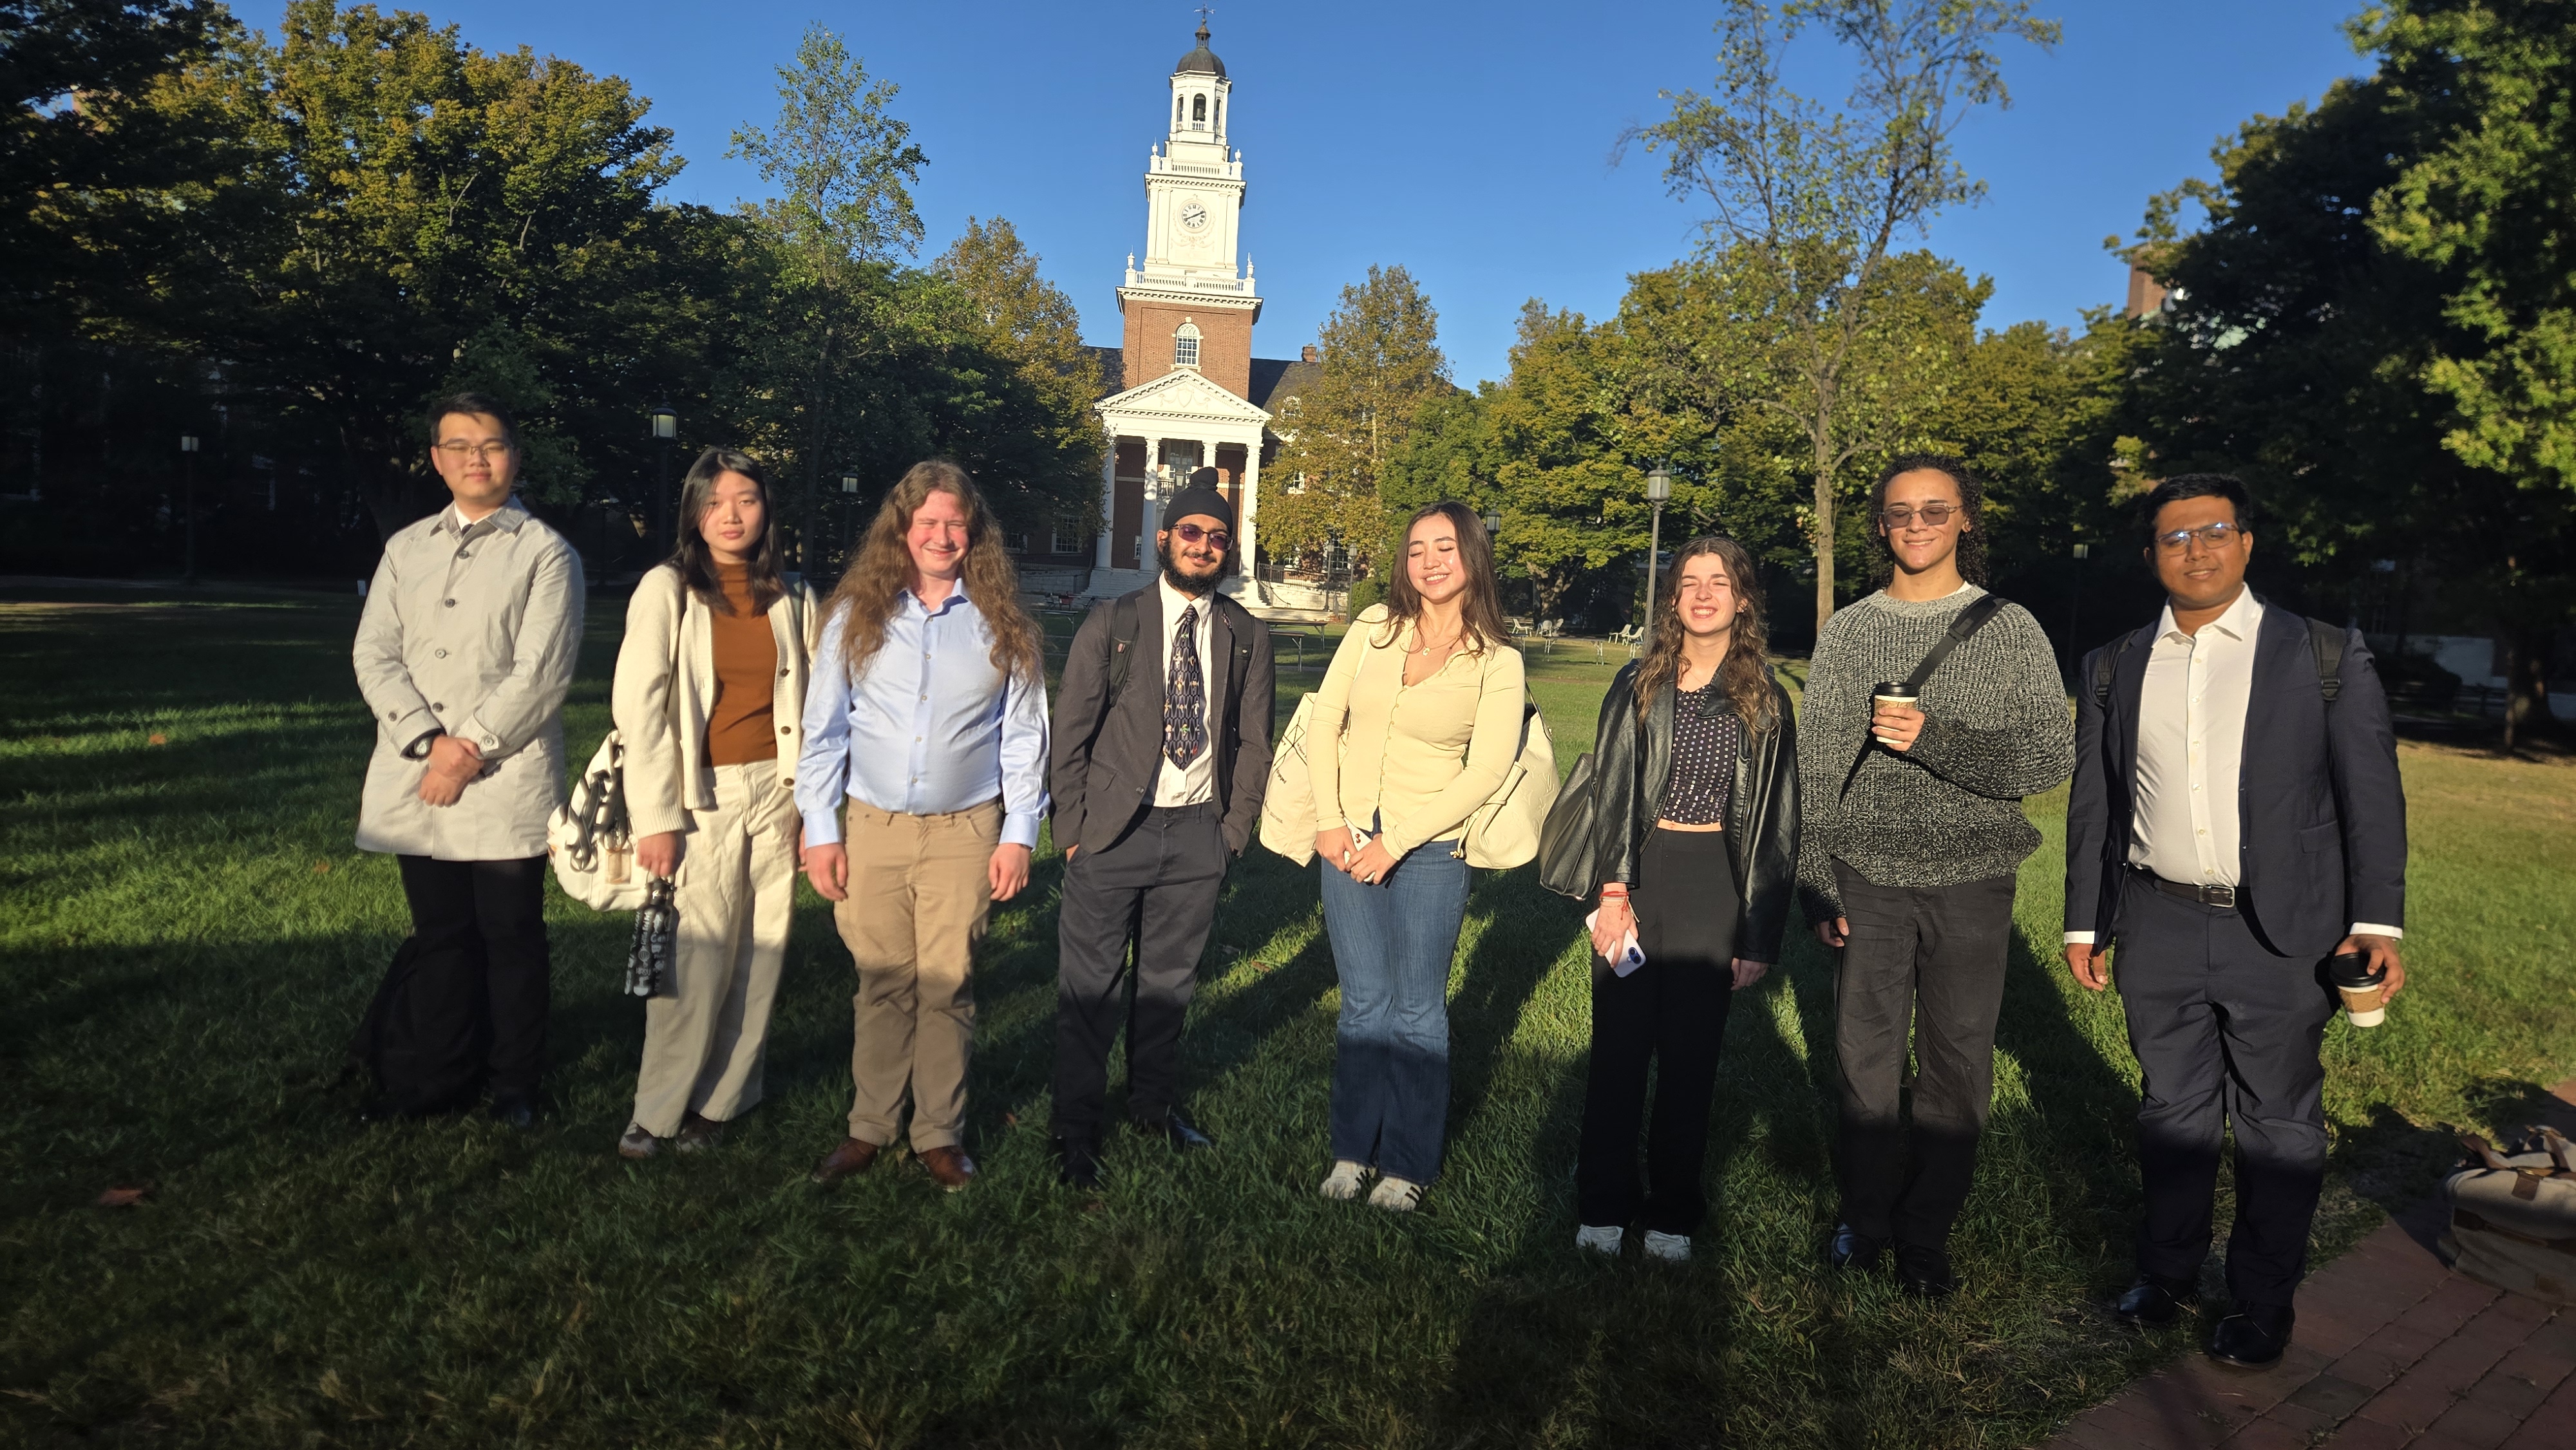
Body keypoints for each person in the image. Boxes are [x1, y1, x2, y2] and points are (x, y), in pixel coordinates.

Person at [2064, 473, 2406, 1369]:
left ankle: (2262, 1300)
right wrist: (2082, 922)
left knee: (2278, 1125)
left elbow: (2372, 798)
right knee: (2171, 1111)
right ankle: (2167, 1274)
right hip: (2158, 922)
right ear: (2152, 558)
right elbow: (2094, 803)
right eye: (2175, 538)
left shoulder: (2324, 654)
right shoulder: (2114, 663)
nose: (2196, 550)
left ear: (2247, 544)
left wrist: (2378, 923)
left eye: (2214, 531)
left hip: (2285, 934)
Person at [1797, 455, 2074, 1297]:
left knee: (1957, 1063)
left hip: (1972, 879)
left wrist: (1935, 738)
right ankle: (1868, 1221)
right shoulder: (1848, 633)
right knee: (1865, 1061)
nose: (1916, 527)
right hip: (1866, 875)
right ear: (1880, 526)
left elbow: (2052, 753)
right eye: (1900, 514)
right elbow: (1814, 769)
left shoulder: (2013, 628)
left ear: (1965, 521)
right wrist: (1817, 877)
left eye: (1934, 511)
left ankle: (1925, 1236)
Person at [797, 460, 1048, 1192]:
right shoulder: (855, 615)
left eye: (954, 522)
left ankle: (938, 1132)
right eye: (927, 522)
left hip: (965, 831)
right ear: (902, 529)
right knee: (881, 982)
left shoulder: (1003, 622)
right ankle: (869, 1125)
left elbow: (1024, 735)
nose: (941, 535)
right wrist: (821, 828)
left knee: (948, 982)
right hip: (872, 825)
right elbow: (824, 730)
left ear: (973, 532)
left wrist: (1018, 831)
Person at [351, 392, 583, 1127]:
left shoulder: (546, 551)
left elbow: (541, 672)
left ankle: (514, 1080)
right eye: (459, 446)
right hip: (416, 765)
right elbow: (374, 651)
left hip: (503, 774)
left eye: (491, 444)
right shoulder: (407, 547)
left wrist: (470, 748)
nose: (475, 458)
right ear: (436, 459)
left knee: (511, 932)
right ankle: (437, 1074)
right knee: (442, 932)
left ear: (514, 455)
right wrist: (427, 741)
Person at [1569, 536, 1800, 1263]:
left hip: (1714, 882)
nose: (1703, 593)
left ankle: (1671, 1211)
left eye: (1720, 581)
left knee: (1690, 1059)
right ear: (1672, 599)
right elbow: (1609, 791)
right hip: (1636, 873)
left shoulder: (1765, 698)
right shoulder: (1638, 683)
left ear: (1742, 598)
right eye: (1690, 582)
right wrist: (1611, 890)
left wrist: (1757, 934)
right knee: (1618, 1051)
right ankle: (1604, 1201)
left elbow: (1777, 823)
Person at [1046, 472, 1276, 1187]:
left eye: (1216, 537)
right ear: (1163, 538)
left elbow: (1255, 740)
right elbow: (1070, 732)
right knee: (1090, 990)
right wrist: (1073, 830)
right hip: (1113, 833)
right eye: (1190, 532)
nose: (1203, 546)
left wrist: (1233, 831)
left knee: (1168, 986)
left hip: (1197, 836)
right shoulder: (1112, 622)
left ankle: (1151, 1107)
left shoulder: (1245, 633)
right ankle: (1074, 1129)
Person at [1306, 500, 1527, 1213]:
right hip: (1345, 841)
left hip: (1429, 850)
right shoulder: (1373, 628)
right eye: (1416, 548)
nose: (1429, 560)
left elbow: (1485, 770)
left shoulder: (1498, 659)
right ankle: (1351, 1151)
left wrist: (1394, 842)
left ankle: (1406, 1163)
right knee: (1362, 1004)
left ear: (1471, 557)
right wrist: (1329, 820)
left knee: (1415, 1010)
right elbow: (1323, 721)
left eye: (1445, 547)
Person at [609, 449, 817, 1159]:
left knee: (761, 953)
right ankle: (659, 1111)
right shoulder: (667, 589)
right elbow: (639, 712)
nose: (732, 515)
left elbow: (817, 710)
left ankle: (724, 1101)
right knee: (696, 959)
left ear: (767, 510)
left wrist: (813, 812)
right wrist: (656, 817)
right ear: (694, 512)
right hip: (703, 795)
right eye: (715, 501)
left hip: (777, 792)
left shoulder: (793, 594)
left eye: (747, 499)